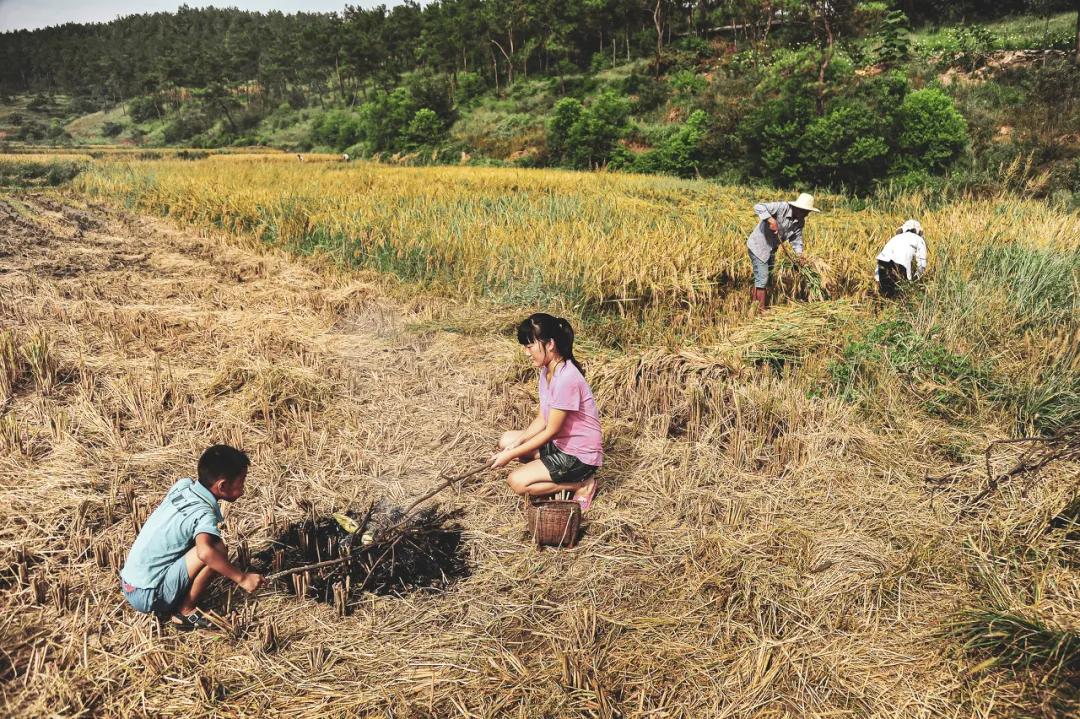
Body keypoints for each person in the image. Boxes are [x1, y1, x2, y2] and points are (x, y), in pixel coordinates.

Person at [119, 445, 265, 630]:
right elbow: (205, 552)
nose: (244, 488)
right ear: (222, 486)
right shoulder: (203, 514)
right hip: (149, 594)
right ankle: (185, 612)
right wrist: (242, 578)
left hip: (129, 582)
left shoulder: (183, 486)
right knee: (217, 549)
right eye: (241, 482)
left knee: (202, 543)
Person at [492, 313, 603, 511]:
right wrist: (516, 444)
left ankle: (582, 484)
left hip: (578, 455)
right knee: (506, 440)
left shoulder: (566, 378)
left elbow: (550, 431)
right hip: (560, 443)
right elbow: (543, 417)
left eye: (529, 346)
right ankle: (547, 466)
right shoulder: (548, 371)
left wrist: (510, 456)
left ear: (550, 344)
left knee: (516, 481)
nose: (526, 353)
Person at [746, 193, 820, 311]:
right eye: (805, 211)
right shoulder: (781, 207)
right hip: (758, 246)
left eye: (808, 212)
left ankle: (756, 305)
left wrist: (799, 255)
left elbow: (796, 239)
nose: (807, 214)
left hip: (771, 249)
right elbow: (758, 206)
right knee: (763, 278)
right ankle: (761, 311)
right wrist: (771, 220)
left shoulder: (799, 222)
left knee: (767, 278)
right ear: (798, 208)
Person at [875, 219, 927, 299]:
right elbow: (922, 262)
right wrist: (916, 279)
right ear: (917, 231)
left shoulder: (894, 238)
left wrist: (878, 279)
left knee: (886, 295)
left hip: (883, 263)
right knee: (901, 296)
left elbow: (882, 257)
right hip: (899, 265)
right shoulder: (919, 239)